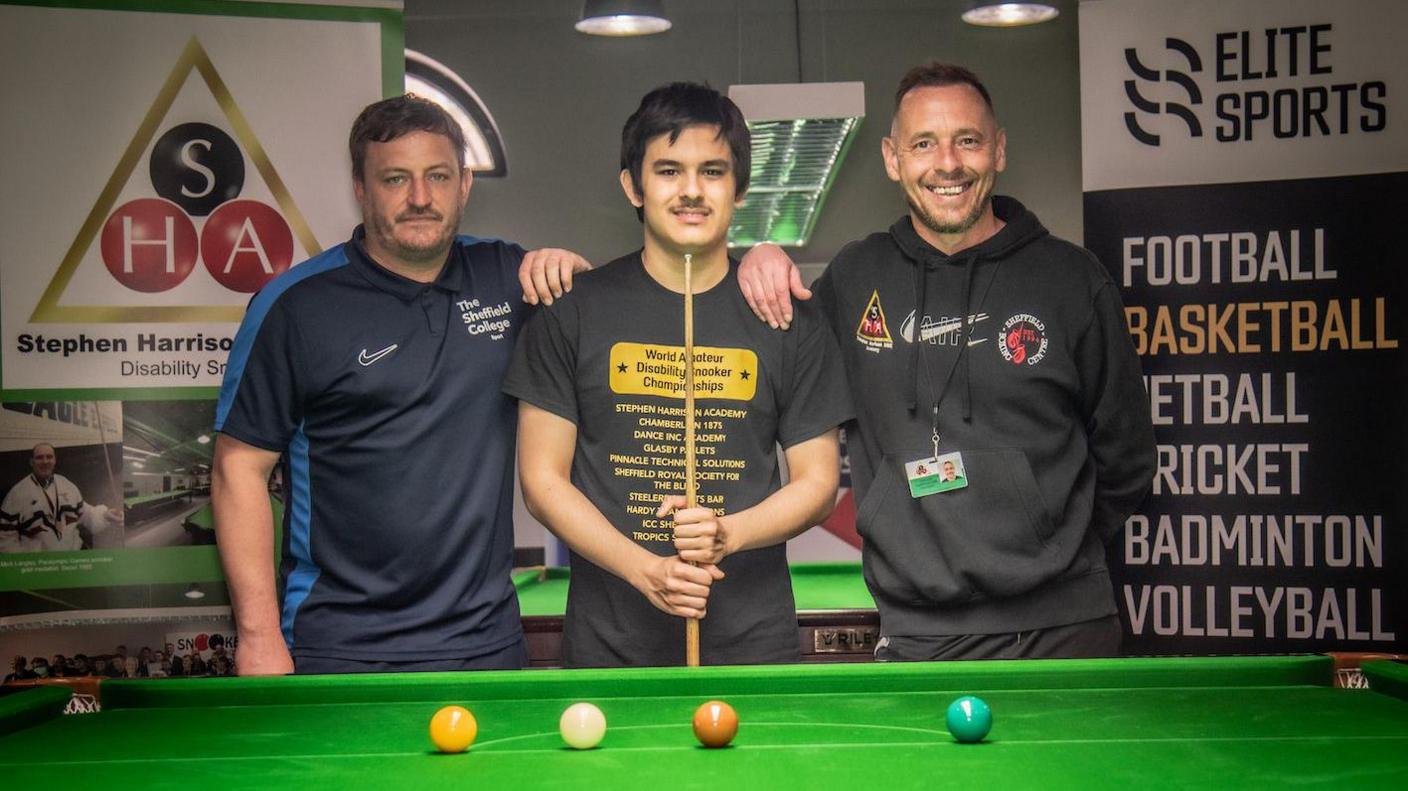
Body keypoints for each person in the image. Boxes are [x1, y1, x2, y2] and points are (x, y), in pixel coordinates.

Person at [738, 62, 1156, 660]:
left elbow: (1128, 457)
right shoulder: (854, 281)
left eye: (968, 140)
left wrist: (1051, 543)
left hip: (1067, 628)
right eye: (923, 144)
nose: (948, 164)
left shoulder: (1072, 279)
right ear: (892, 158)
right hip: (918, 632)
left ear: (999, 150)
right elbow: (749, 360)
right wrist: (758, 255)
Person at [213, 94, 590, 676]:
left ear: (464, 184)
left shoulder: (509, 278)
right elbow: (238, 469)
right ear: (361, 189)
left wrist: (579, 273)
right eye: (396, 179)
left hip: (487, 644)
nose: (420, 198)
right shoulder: (295, 307)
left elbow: (620, 332)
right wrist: (258, 637)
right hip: (338, 646)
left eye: (437, 176)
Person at [505, 83, 853, 667]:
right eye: (668, 170)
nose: (691, 190)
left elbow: (817, 485)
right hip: (610, 644)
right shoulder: (572, 310)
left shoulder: (788, 318)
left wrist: (728, 534)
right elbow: (542, 482)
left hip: (753, 644)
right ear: (632, 185)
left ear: (738, 187)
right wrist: (645, 570)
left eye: (712, 171)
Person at [1, 443, 121, 553]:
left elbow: (84, 513)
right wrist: (25, 566)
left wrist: (105, 515)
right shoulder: (16, 494)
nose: (45, 461)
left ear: (54, 460)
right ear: (32, 462)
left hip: (74, 560)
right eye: (39, 457)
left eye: (49, 457)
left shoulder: (67, 485)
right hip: (42, 567)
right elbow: (5, 537)